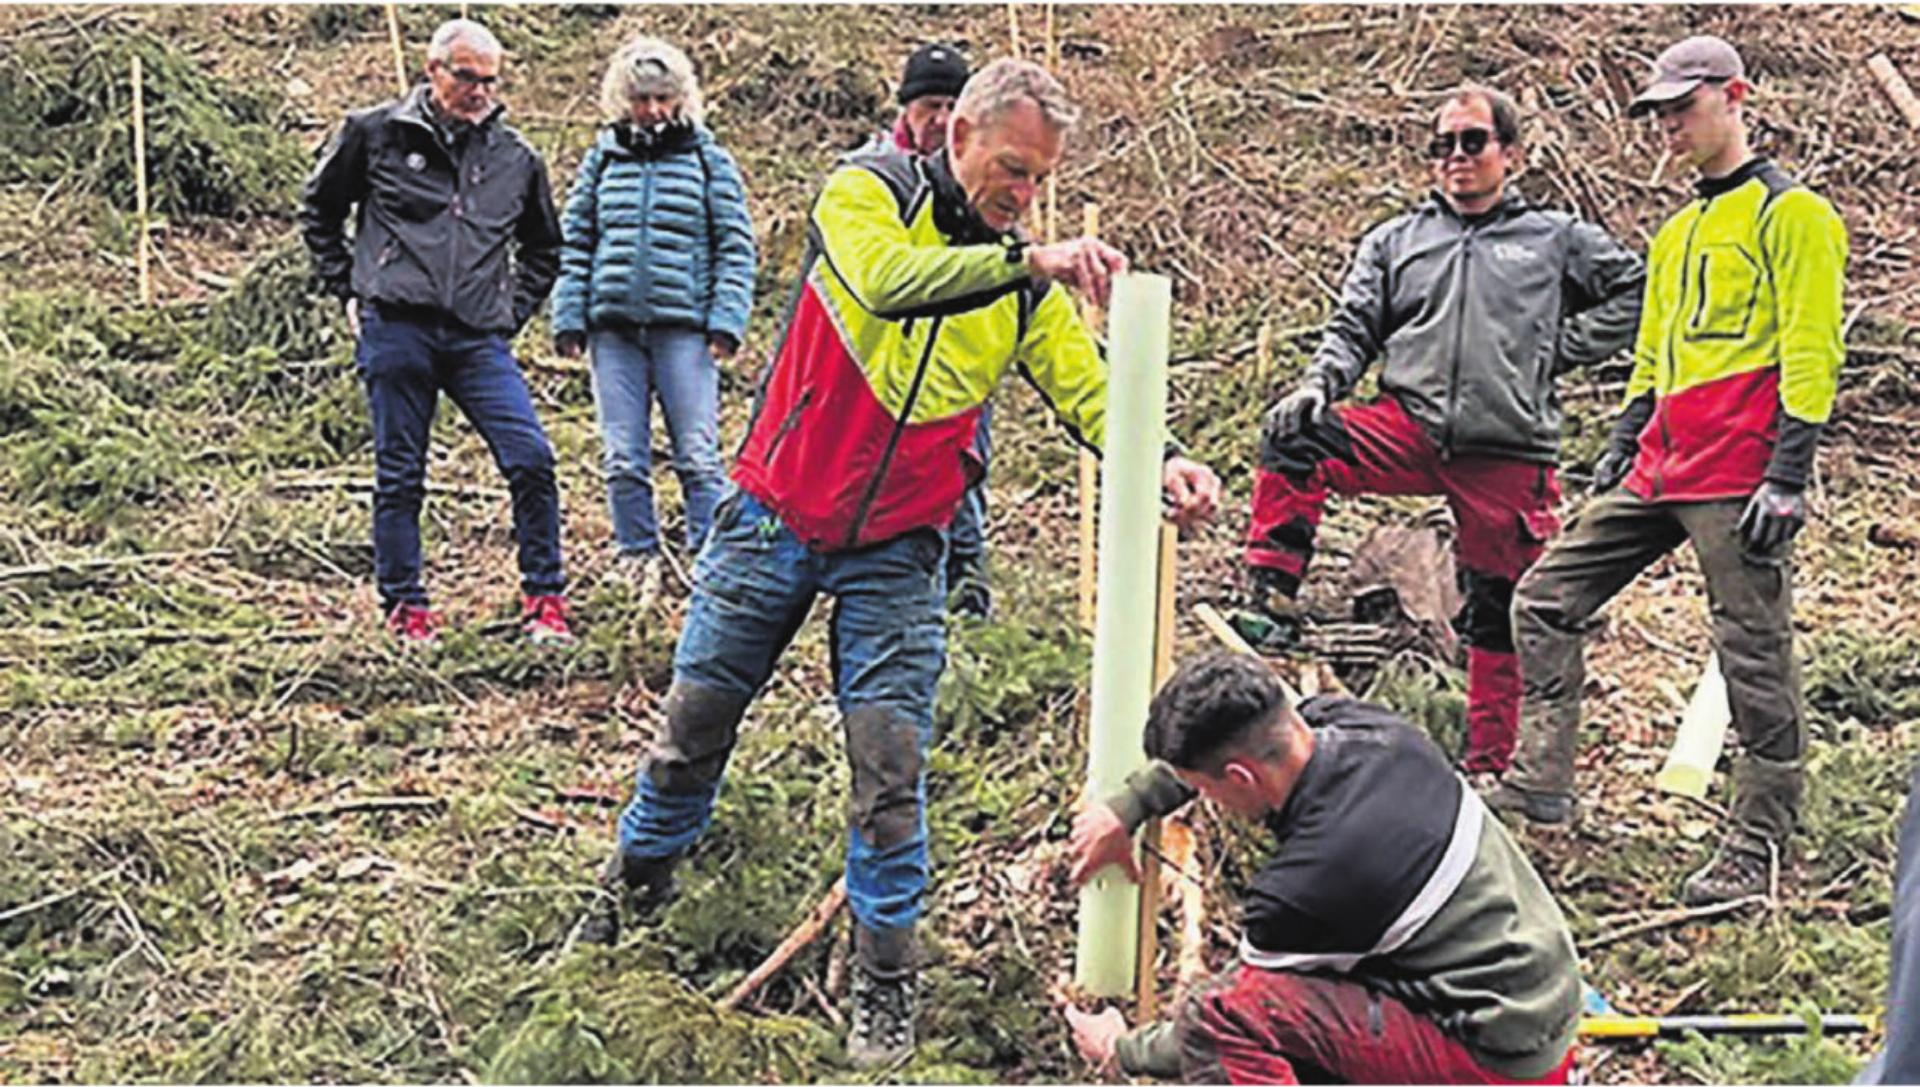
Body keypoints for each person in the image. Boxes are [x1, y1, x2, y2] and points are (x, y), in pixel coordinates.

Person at [573, 59, 1222, 1066]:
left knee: (889, 767)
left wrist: (1163, 457)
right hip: (771, 516)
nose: (1021, 195)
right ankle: (631, 893)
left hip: (900, 548)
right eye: (1009, 168)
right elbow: (884, 284)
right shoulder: (864, 193)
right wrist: (1031, 261)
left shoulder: (1019, 281)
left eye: (1037, 179)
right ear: (956, 133)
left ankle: (886, 979)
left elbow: (1089, 392)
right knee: (691, 730)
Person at [1488, 35, 1849, 907]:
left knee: (1750, 648)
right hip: (1661, 465)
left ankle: (1761, 841)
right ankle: (1540, 781)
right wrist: (1622, 442)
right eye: (1657, 114)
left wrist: (1790, 471)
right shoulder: (1680, 229)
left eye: (1681, 109)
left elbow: (1811, 347)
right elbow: (1656, 354)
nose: (1667, 128)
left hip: (1740, 471)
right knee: (1544, 598)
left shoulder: (1791, 216)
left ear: (1736, 96)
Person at [1244, 84, 1645, 775]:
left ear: (1510, 154)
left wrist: (1556, 345)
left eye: (1472, 141)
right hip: (1409, 423)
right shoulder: (1397, 241)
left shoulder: (1555, 239)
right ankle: (1272, 599)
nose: (1455, 157)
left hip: (1508, 447)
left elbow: (1640, 291)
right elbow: (1352, 330)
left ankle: (1493, 764)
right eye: (1442, 145)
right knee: (1294, 440)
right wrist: (1318, 386)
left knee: (1501, 609)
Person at [1063, 652, 1581, 1084]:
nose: (1204, 800)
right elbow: (1234, 745)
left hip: (1500, 1063)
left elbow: (1232, 1011)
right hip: (1543, 1003)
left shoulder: (1311, 881)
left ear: (1240, 779)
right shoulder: (1365, 728)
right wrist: (1126, 807)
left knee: (1222, 1017)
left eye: (1203, 790)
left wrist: (1121, 1049)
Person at [299, 19, 570, 645]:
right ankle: (405, 608)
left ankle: (545, 598)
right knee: (400, 473)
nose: (480, 92)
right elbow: (320, 209)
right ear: (433, 71)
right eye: (467, 77)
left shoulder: (517, 158)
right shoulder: (374, 134)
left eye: (491, 81)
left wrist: (509, 311)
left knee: (531, 458)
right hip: (396, 327)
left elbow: (544, 249)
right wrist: (348, 289)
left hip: (479, 339)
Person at [552, 37, 757, 601]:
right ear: (623, 99)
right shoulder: (602, 158)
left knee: (696, 453)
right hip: (612, 329)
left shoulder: (707, 158)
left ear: (681, 97)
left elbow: (735, 244)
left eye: (663, 97)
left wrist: (726, 321)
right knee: (622, 455)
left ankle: (710, 564)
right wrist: (569, 316)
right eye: (641, 98)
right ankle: (635, 558)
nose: (653, 110)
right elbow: (577, 241)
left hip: (684, 329)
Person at [878, 41, 995, 617]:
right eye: (930, 105)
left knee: (965, 497)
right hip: (888, 375)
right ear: (905, 109)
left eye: (954, 105)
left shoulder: (986, 186)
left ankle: (971, 625)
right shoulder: (875, 180)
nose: (941, 119)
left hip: (967, 366)